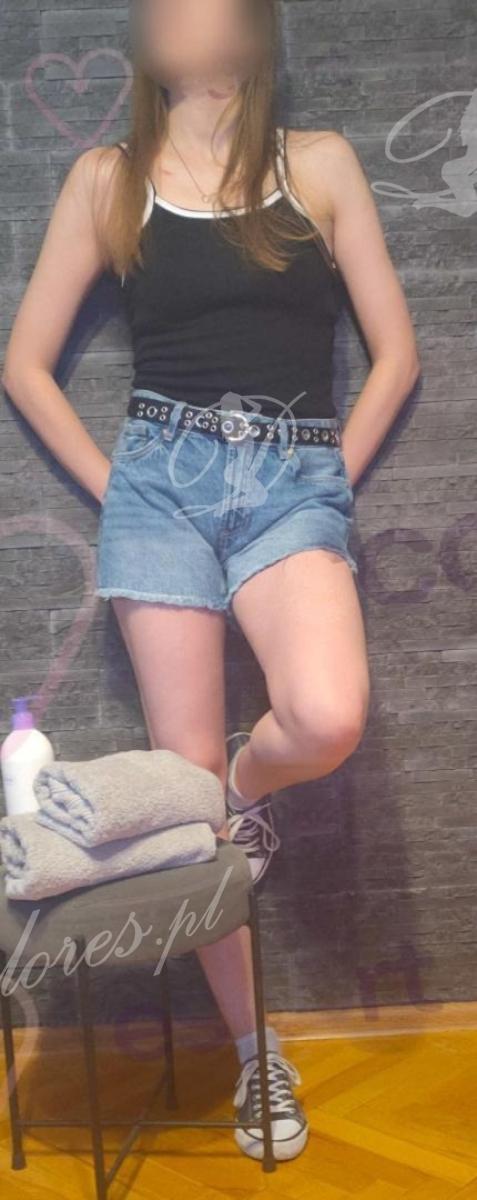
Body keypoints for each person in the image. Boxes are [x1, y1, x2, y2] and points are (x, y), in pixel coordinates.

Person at [1, 0, 420, 1164]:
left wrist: (327, 479)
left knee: (326, 715)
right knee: (184, 817)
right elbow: (25, 364)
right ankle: (254, 1054)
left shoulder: (317, 164)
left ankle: (242, 786)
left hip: (294, 480)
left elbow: (396, 352)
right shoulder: (108, 178)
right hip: (160, 485)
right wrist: (120, 489)